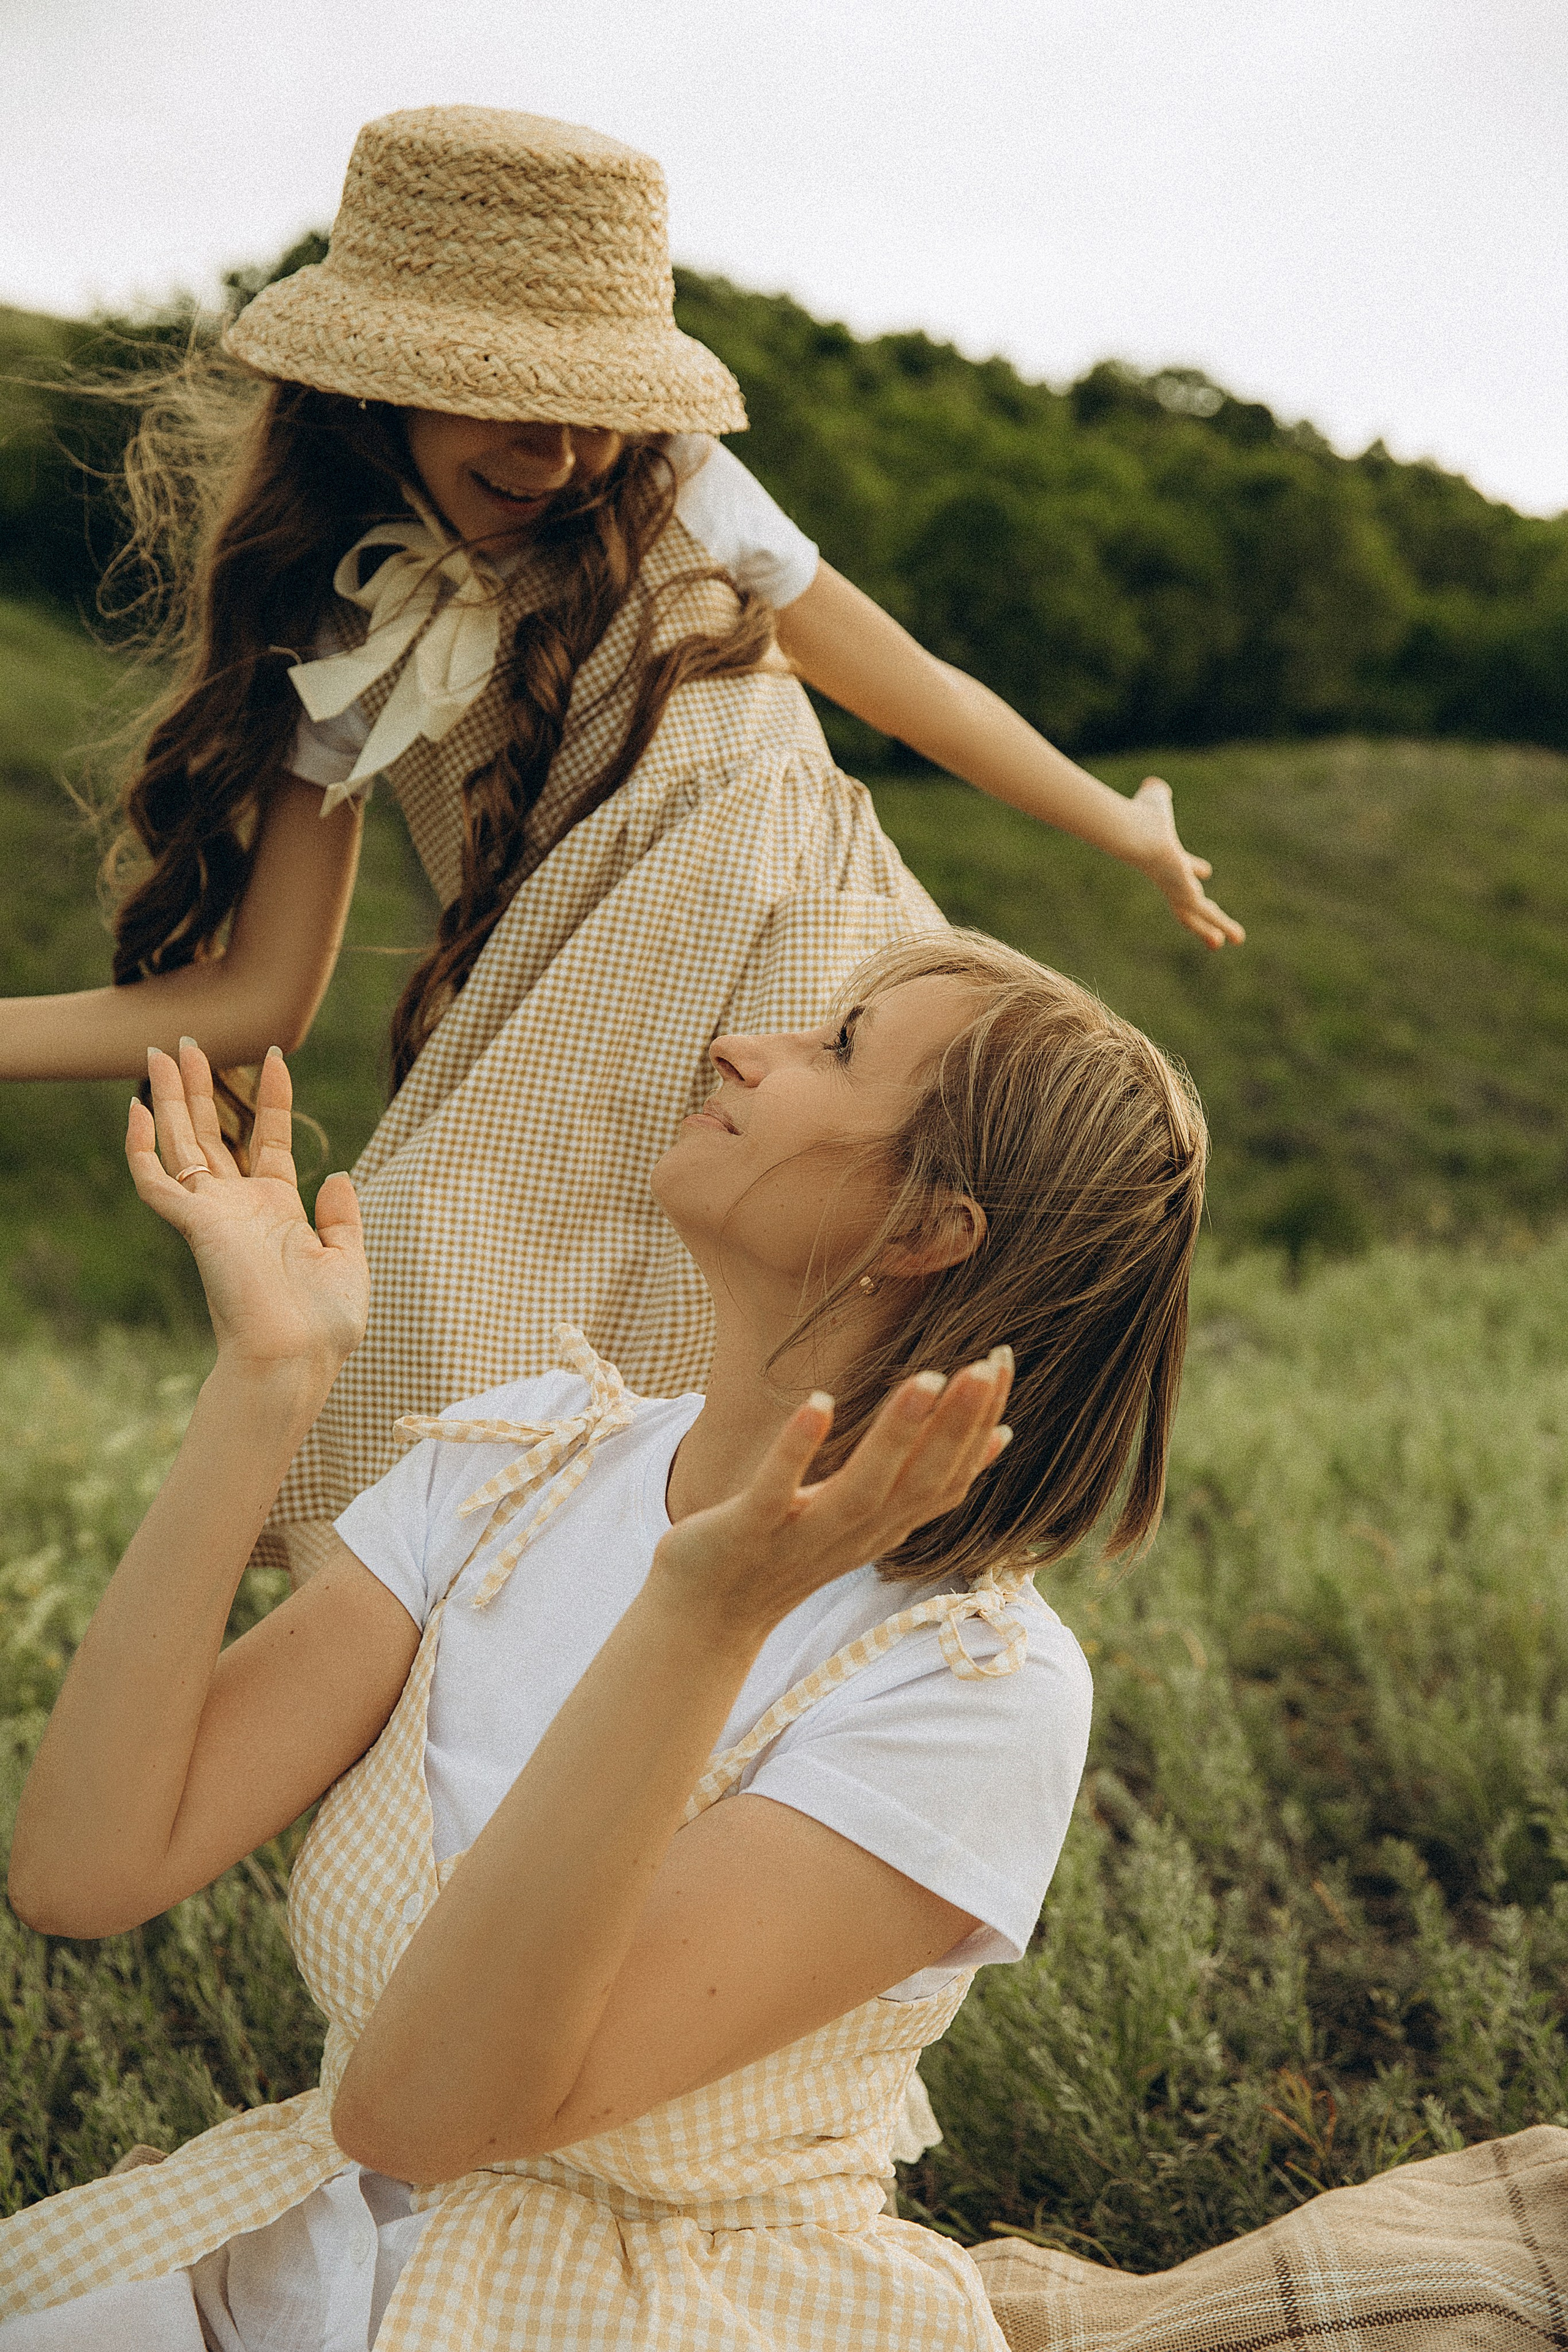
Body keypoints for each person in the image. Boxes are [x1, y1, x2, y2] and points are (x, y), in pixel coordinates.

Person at [0, 107, 1240, 1579]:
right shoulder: (337, 627)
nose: (561, 451)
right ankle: (451, 1736)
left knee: (808, 1391)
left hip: (814, 979)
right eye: (503, 401)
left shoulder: (683, 489)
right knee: (434, 1318)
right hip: (587, 1028)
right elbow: (256, 1001)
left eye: (594, 404)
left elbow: (929, 700)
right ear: (370, 389)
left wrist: (1129, 829)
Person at [0, 929, 1205, 2350]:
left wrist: (701, 1615)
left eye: (837, 1049)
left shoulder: (966, 1685)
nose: (738, 1044)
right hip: (286, 2270)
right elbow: (85, 1870)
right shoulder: (513, 1467)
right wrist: (269, 1379)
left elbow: (424, 2111)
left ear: (928, 1229)